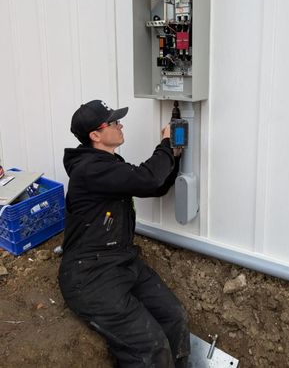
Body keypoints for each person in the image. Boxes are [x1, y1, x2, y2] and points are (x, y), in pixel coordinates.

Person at [58, 99, 190, 367]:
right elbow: (147, 178)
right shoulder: (90, 170)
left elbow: (154, 186)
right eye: (114, 122)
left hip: (121, 261)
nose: (120, 125)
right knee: (150, 346)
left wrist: (173, 155)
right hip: (90, 275)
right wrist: (165, 144)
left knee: (174, 316)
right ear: (95, 135)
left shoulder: (107, 164)